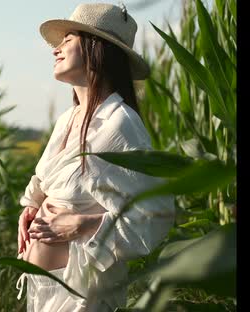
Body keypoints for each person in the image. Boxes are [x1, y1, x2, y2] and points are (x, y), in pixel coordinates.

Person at [15, 3, 176, 311]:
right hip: (45, 290)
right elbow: (48, 179)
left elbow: (157, 215)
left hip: (81, 296)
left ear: (95, 49)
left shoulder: (120, 124)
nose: (56, 50)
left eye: (68, 40)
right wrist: (33, 206)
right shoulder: (68, 119)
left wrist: (83, 225)